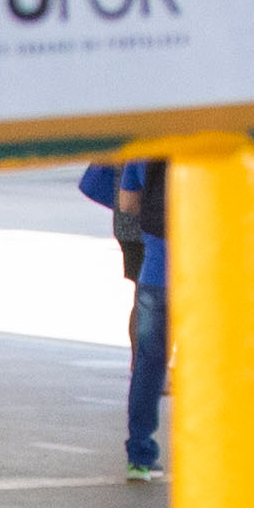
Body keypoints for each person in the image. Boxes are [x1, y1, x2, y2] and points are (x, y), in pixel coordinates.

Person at [82, 155, 169, 474]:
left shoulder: (145, 146)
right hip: (206, 272)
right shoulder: (207, 139)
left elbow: (128, 203)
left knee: (148, 364)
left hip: (157, 273)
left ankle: (140, 455)